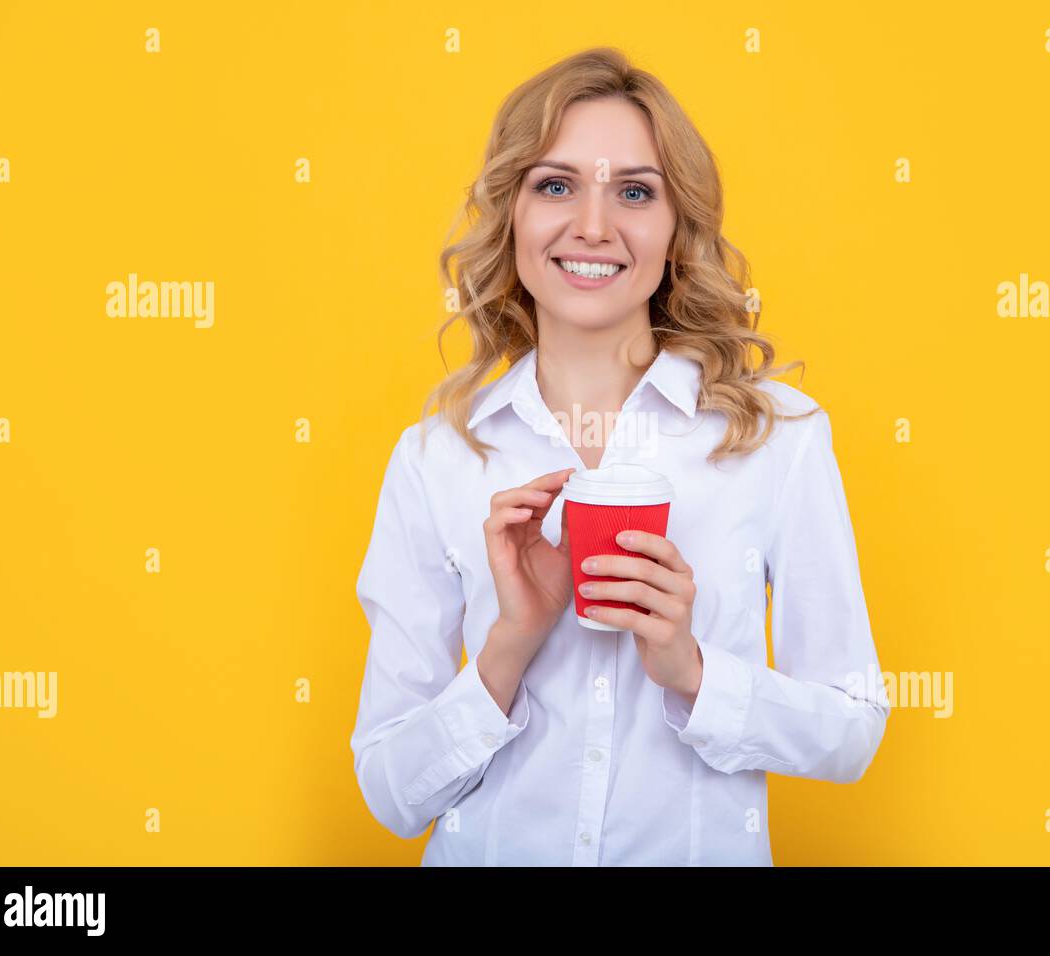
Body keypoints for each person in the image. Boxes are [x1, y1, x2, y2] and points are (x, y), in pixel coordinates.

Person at [350, 47, 889, 866]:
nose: (593, 226)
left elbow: (852, 729)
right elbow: (390, 794)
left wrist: (694, 671)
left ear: (677, 230)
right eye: (555, 185)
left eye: (635, 192)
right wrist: (509, 643)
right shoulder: (439, 458)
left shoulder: (777, 436)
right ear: (513, 216)